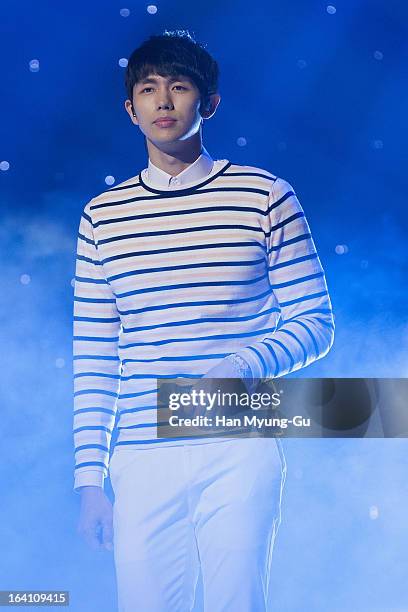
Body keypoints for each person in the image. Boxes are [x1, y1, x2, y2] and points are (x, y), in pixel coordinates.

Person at [73, 30, 335, 611]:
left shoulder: (265, 195)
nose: (163, 101)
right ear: (131, 108)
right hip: (141, 452)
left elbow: (315, 322)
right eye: (148, 89)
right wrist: (89, 481)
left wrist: (243, 364)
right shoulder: (102, 218)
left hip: (238, 441)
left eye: (179, 86)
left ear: (209, 102)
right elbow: (93, 357)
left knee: (236, 602)